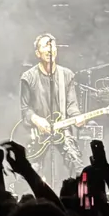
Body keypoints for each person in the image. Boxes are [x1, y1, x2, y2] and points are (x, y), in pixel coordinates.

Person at [20, 33, 85, 186]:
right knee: (30, 176)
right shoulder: (28, 77)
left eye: (52, 45)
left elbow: (72, 106)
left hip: (62, 130)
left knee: (79, 170)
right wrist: (36, 120)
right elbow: (25, 109)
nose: (49, 50)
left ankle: (79, 203)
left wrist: (78, 117)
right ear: (37, 53)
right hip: (37, 134)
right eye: (45, 46)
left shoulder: (67, 75)